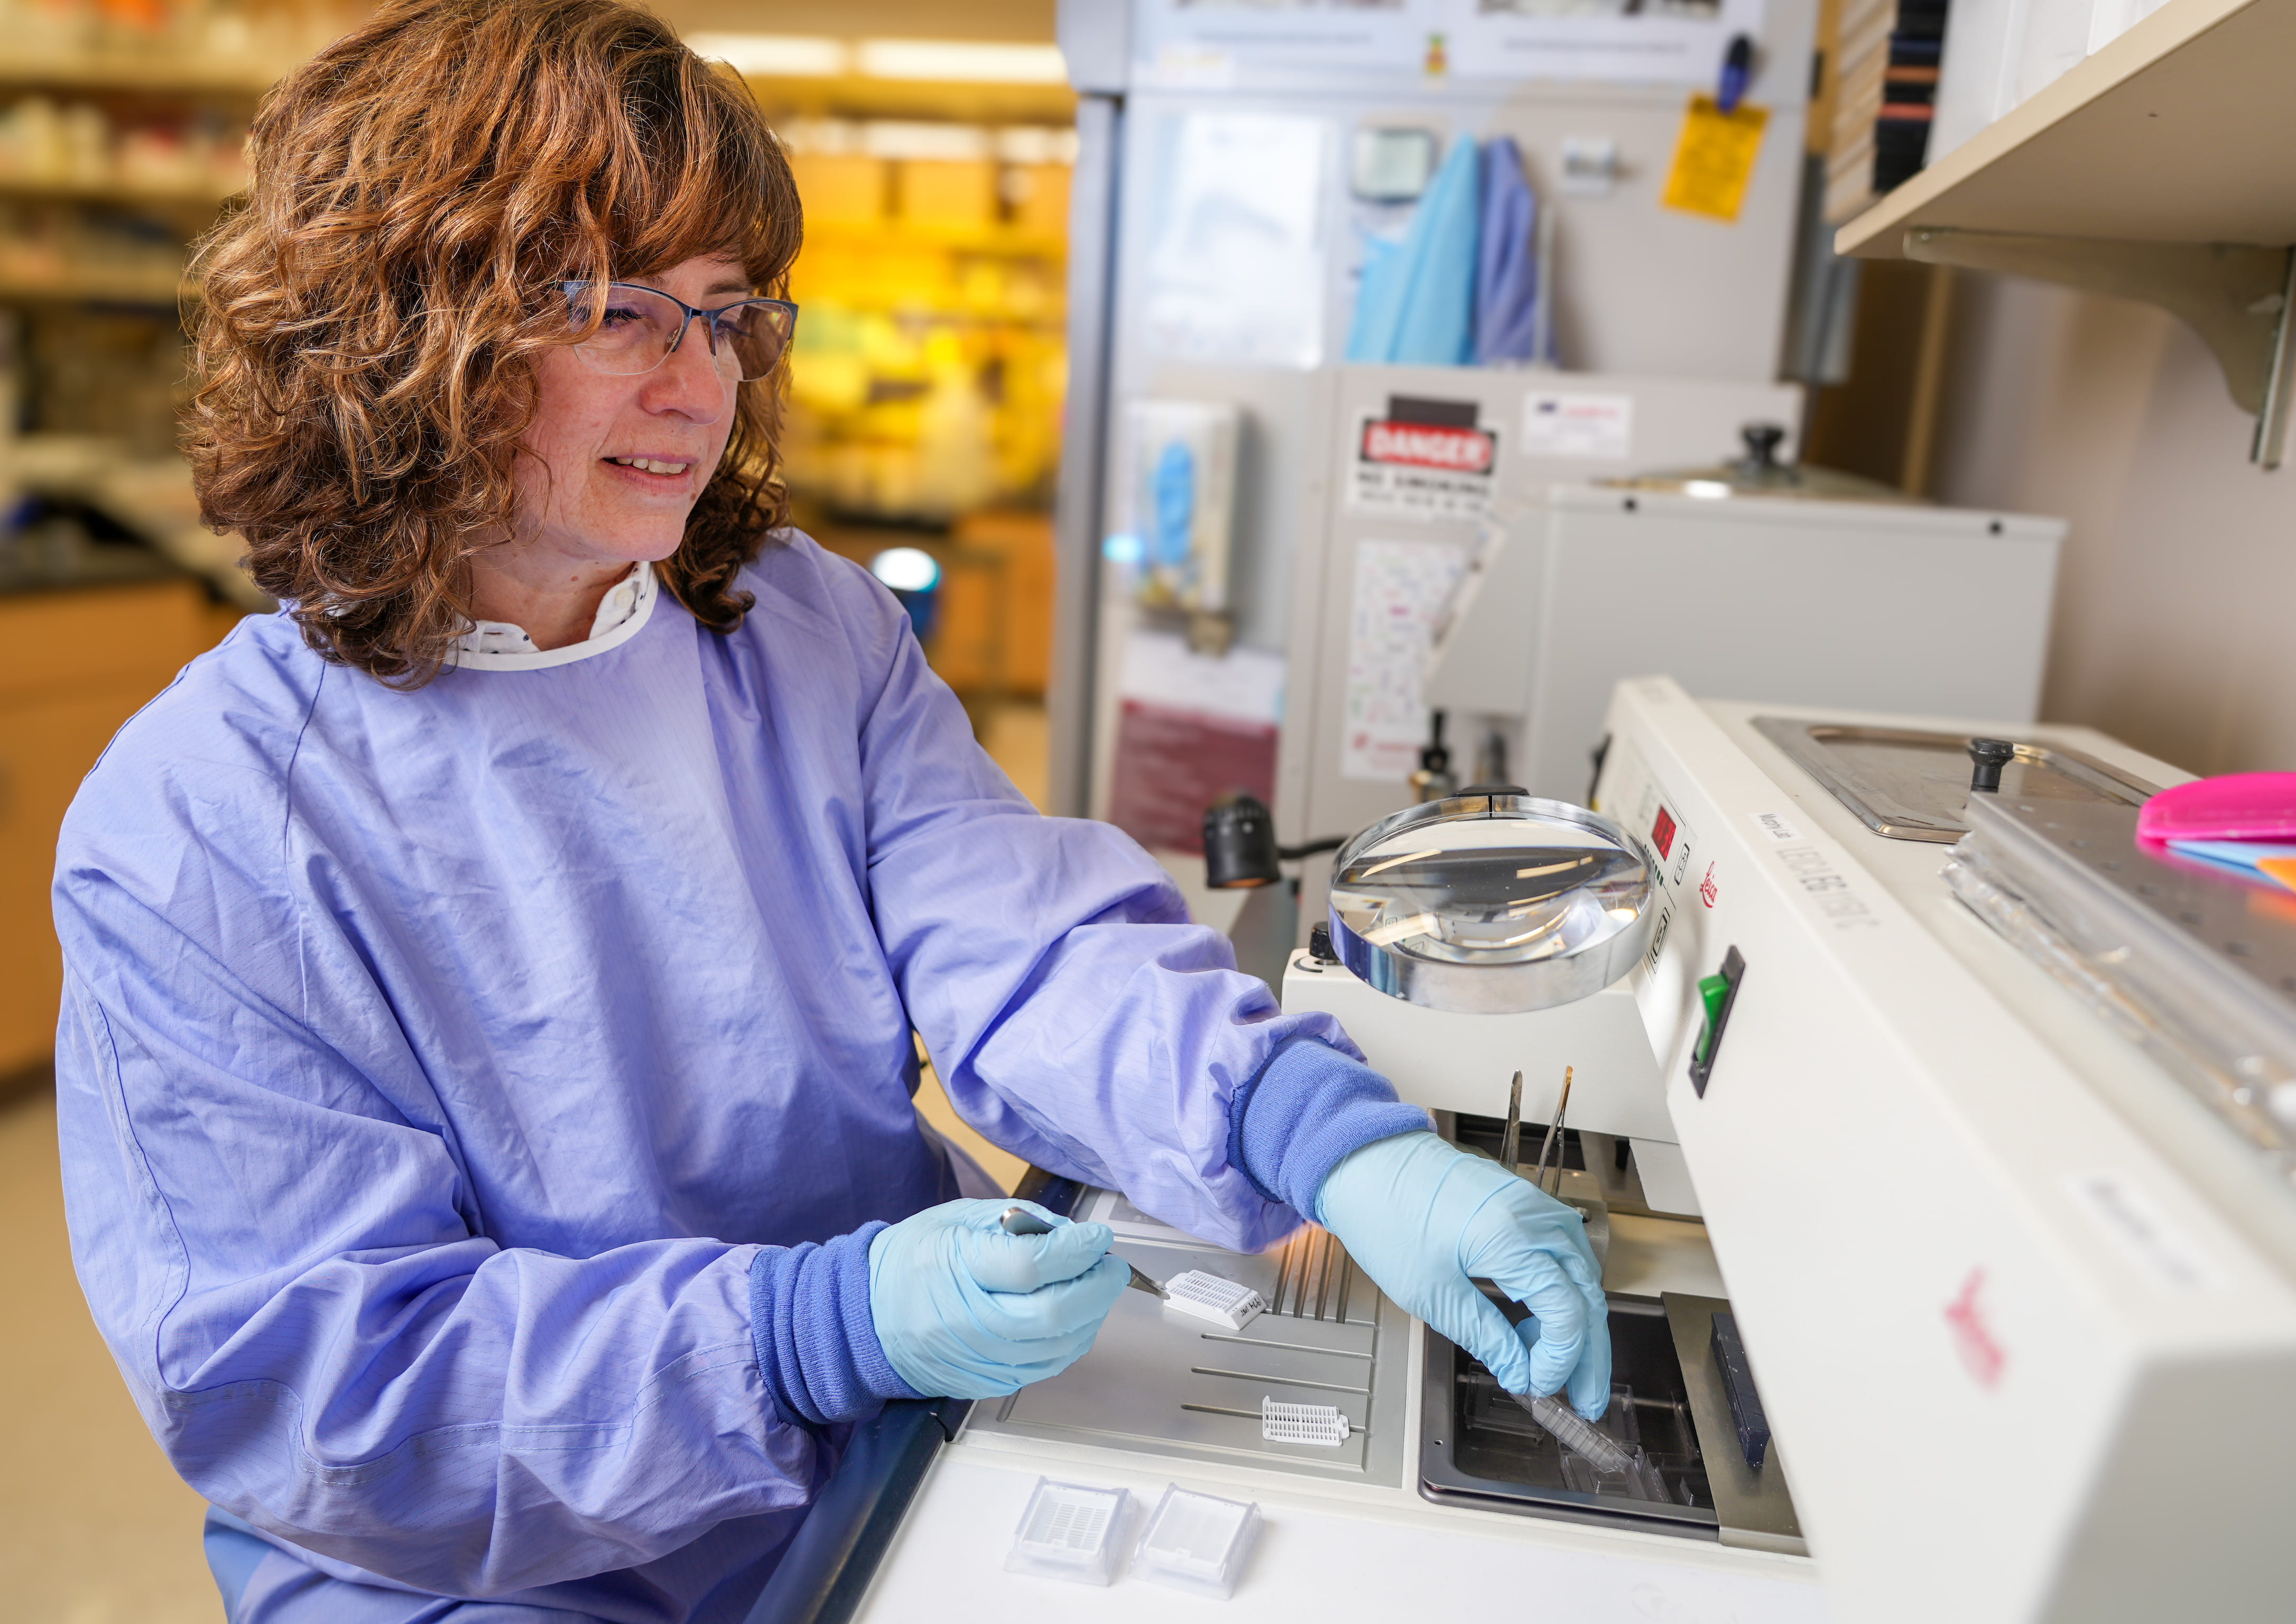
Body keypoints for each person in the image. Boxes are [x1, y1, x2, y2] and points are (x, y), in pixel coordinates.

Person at [50, 4, 1611, 1620]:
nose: (700, 384)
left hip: (869, 1438)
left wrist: (1332, 1146)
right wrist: (802, 1329)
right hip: (486, 1571)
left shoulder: (795, 626)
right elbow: (330, 1394)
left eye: (730, 318)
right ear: (401, 333)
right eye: (619, 312)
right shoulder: (202, 827)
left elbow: (1025, 946)